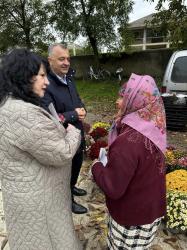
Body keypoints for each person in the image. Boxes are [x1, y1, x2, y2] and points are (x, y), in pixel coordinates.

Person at [0, 48, 82, 250]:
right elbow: (61, 153)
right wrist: (73, 132)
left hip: (25, 192)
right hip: (39, 202)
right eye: (42, 76)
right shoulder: (24, 114)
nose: (46, 82)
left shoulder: (8, 104)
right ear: (24, 76)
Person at [92, 73, 167, 249]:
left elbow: (113, 187)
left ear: (137, 101)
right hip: (150, 212)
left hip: (130, 218)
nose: (117, 101)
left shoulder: (127, 141)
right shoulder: (154, 127)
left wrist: (96, 167)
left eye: (124, 97)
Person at [41, 43, 87, 214]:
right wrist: (74, 115)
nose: (66, 62)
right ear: (50, 60)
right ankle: (68, 201)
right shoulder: (46, 84)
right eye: (61, 59)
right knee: (65, 172)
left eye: (68, 58)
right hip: (62, 138)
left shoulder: (68, 78)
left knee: (77, 165)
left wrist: (82, 109)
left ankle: (72, 187)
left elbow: (77, 99)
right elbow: (49, 117)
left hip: (77, 134)